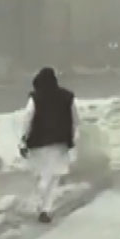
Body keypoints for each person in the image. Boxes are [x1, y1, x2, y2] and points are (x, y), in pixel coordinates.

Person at [19, 67, 80, 224]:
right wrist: (72, 138)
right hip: (59, 143)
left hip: (38, 142)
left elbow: (27, 118)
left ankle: (40, 204)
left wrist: (23, 138)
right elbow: (75, 119)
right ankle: (45, 208)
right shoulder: (67, 96)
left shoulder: (35, 97)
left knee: (42, 174)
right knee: (53, 177)